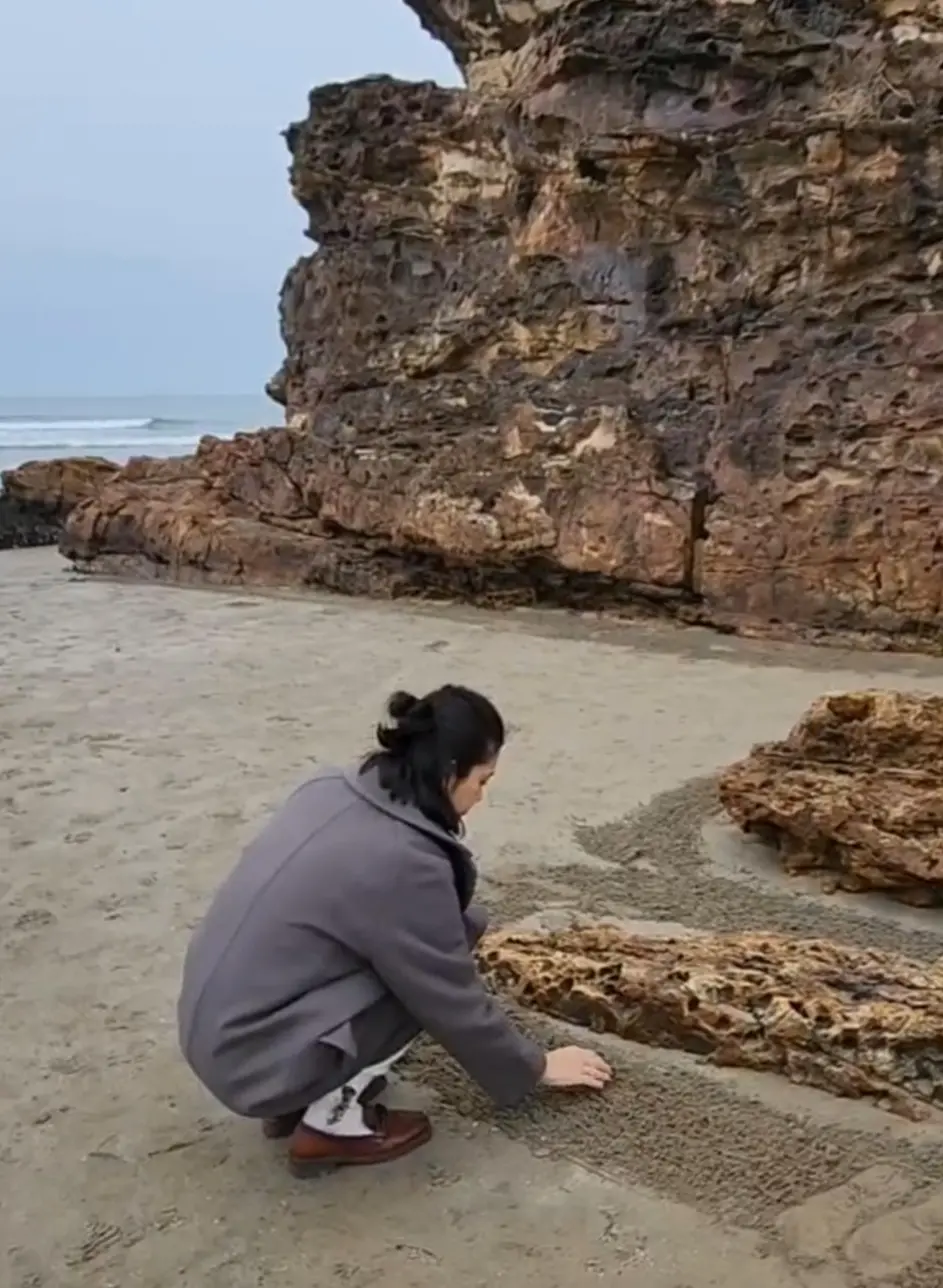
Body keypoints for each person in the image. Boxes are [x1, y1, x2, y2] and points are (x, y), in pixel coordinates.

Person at [177, 683, 612, 1178]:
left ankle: (301, 1089)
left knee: (403, 948)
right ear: (449, 773)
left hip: (216, 1028)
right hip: (250, 1059)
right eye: (482, 781)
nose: (481, 797)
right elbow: (448, 997)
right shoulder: (404, 862)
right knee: (425, 969)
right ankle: (330, 1125)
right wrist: (533, 1067)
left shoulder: (327, 786)